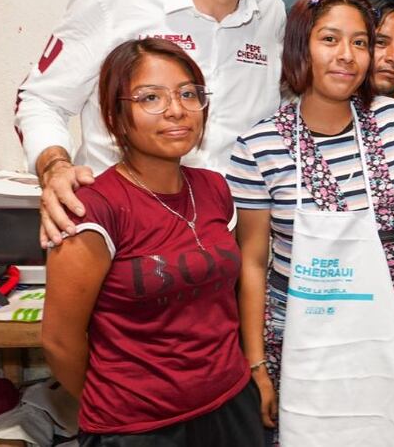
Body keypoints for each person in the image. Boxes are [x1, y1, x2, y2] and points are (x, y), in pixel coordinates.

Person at [16, 0, 287, 248]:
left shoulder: (270, 12)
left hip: (224, 253)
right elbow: (40, 100)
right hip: (122, 247)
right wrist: (54, 167)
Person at [227, 0, 394, 445]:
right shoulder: (259, 147)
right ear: (302, 47)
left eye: (360, 42)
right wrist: (255, 364)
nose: (347, 55)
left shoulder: (393, 120)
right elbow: (252, 263)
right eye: (330, 39)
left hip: (386, 330)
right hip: (301, 338)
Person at [41, 38, 261, 445]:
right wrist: (118, 402)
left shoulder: (214, 188)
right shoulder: (93, 207)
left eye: (188, 94)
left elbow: (223, 298)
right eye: (150, 98)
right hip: (138, 428)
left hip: (230, 405)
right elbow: (59, 341)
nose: (176, 110)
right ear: (116, 116)